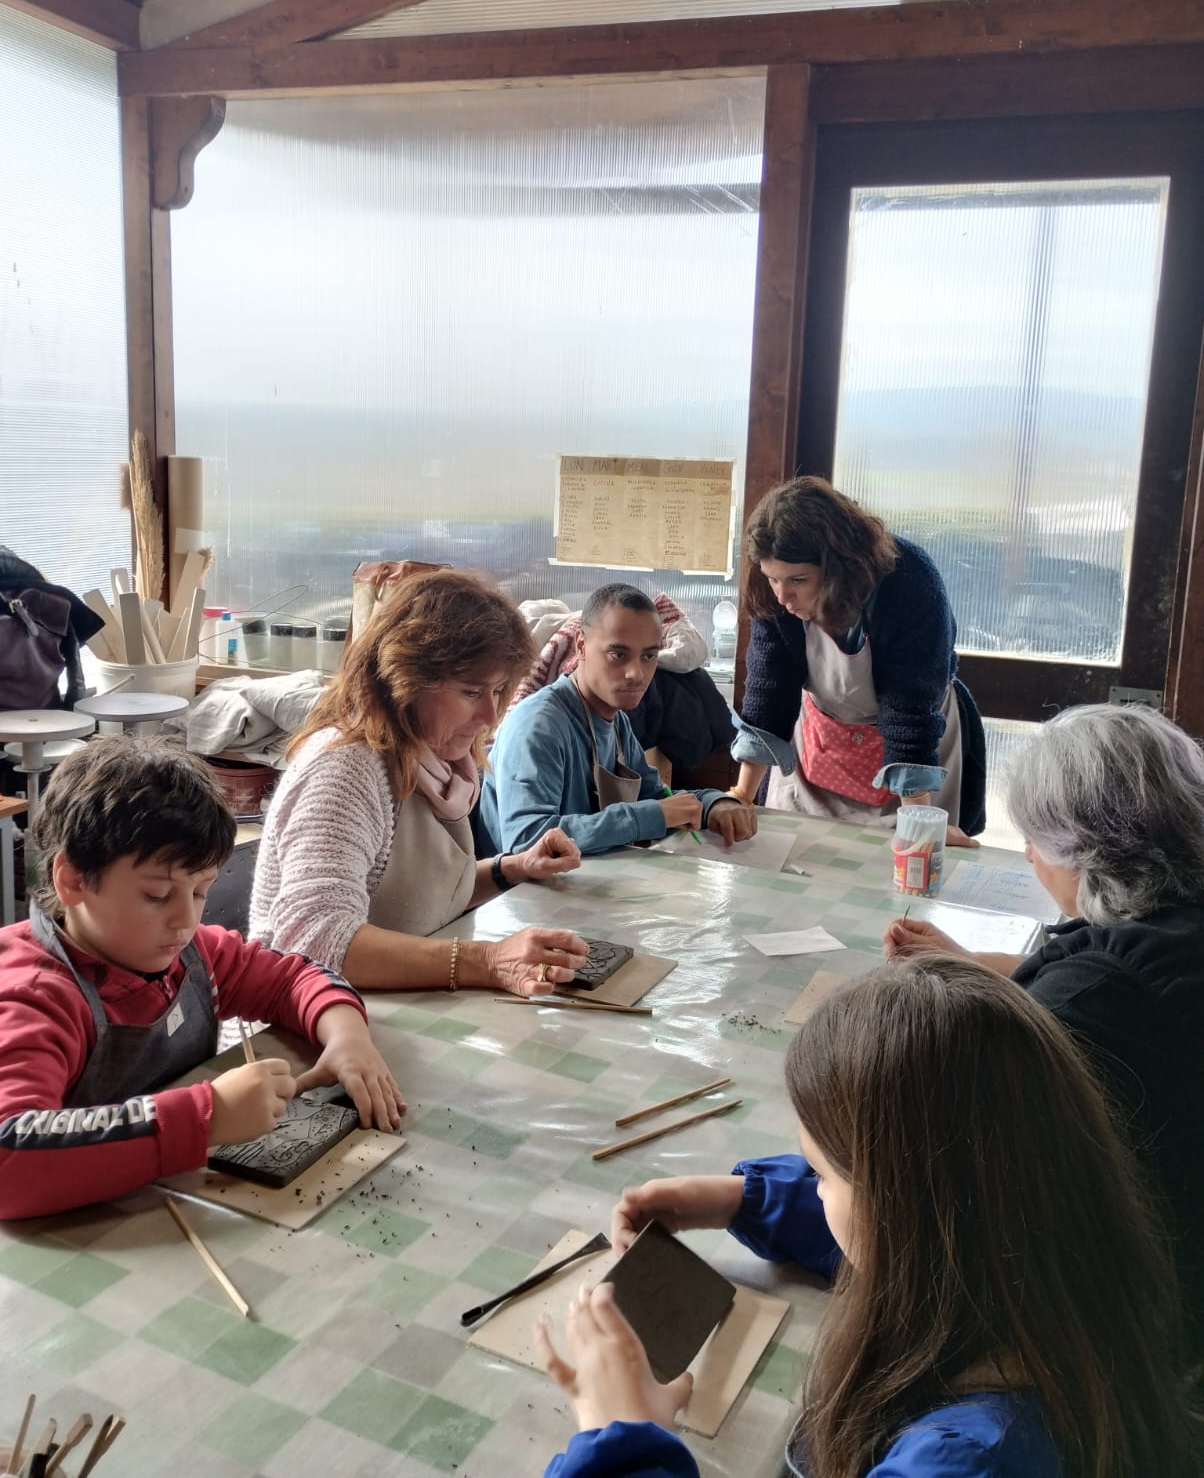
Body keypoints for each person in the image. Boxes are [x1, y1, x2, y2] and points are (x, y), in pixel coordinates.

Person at [537, 956, 1200, 1478]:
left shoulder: (974, 1461)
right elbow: (923, 1209)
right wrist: (739, 1198)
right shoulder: (1042, 1258)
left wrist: (621, 1442)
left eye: (821, 1175)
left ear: (900, 1205)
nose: (816, 1189)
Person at [884, 702, 1204, 1360]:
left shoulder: (1092, 1004)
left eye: (1033, 838)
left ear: (1077, 849)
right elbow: (1103, 969)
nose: (1027, 853)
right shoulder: (1170, 924)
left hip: (1139, 1319)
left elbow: (971, 1178)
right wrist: (973, 966)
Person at [0, 736, 403, 1221]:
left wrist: (346, 1036)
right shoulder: (32, 995)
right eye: (157, 895)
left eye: (200, 892)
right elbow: (10, 1162)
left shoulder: (190, 954)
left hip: (153, 1198)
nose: (185, 921)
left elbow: (289, 979)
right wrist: (206, 1118)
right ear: (74, 881)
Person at [251, 570, 589, 994]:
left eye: (500, 690)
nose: (491, 715)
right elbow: (316, 937)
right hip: (296, 1026)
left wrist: (512, 868)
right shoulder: (347, 769)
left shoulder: (439, 761)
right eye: (470, 692)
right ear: (405, 679)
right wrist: (486, 959)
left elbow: (411, 906)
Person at [734, 477, 985, 845]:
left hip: (913, 746)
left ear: (838, 566)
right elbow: (767, 694)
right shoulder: (775, 597)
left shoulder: (909, 581)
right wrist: (741, 795)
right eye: (773, 579)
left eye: (798, 580)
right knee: (800, 852)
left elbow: (909, 713)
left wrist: (920, 820)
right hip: (822, 740)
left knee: (910, 854)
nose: (784, 596)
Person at [480, 584, 757, 857]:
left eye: (649, 656)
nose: (636, 673)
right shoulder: (539, 725)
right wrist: (646, 817)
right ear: (581, 646)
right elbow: (527, 840)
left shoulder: (616, 721)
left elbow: (654, 796)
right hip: (516, 897)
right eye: (618, 655)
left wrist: (713, 804)